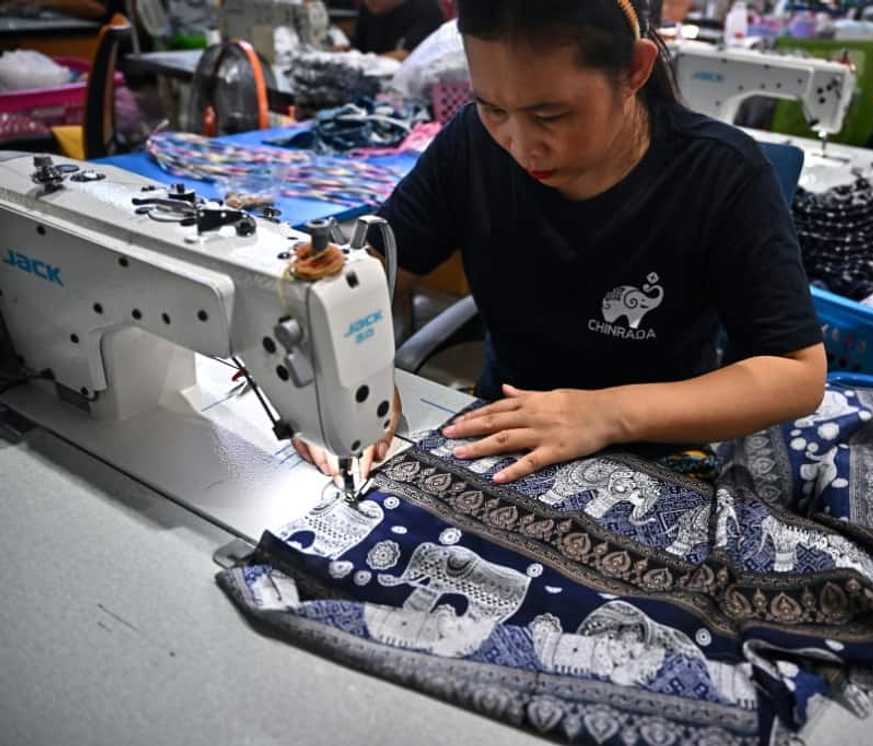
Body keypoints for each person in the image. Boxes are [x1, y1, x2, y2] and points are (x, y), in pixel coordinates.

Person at [294, 0, 826, 486]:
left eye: (550, 116)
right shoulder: (474, 145)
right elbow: (373, 274)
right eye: (493, 108)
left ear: (635, 70)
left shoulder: (722, 175)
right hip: (504, 433)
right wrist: (345, 378)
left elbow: (797, 374)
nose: (520, 145)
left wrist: (604, 413)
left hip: (655, 451)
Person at [351, 0, 443, 60]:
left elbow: (409, 56)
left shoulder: (426, 8)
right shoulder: (368, 9)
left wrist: (365, 62)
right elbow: (358, 49)